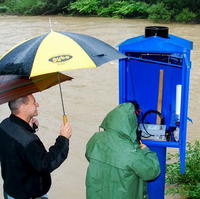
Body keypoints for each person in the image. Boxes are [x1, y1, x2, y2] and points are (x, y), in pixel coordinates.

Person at [0, 94, 72, 199]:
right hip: (29, 195)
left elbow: (17, 147)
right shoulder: (29, 141)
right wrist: (63, 138)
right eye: (34, 102)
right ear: (22, 107)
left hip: (10, 191)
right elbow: (47, 164)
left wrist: (28, 127)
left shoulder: (4, 125)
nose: (37, 104)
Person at [85, 102, 160, 199]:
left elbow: (88, 155)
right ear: (132, 120)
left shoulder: (95, 139)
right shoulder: (132, 151)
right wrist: (146, 151)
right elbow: (151, 173)